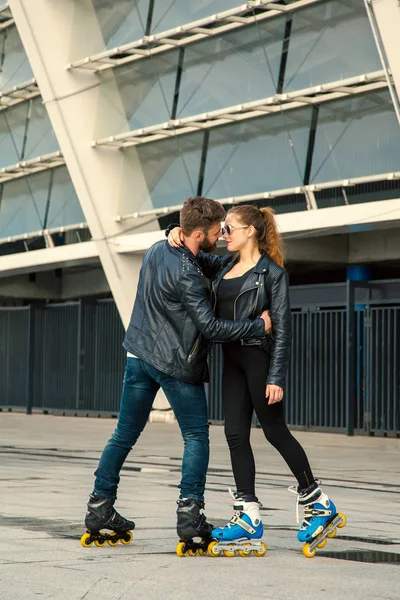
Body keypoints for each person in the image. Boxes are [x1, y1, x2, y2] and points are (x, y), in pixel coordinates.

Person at [81, 197, 272, 549]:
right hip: (176, 365)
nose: (222, 235)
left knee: (124, 435)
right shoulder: (190, 275)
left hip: (138, 356)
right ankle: (190, 516)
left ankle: (99, 507)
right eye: (218, 231)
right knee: (196, 437)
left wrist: (176, 232)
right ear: (198, 233)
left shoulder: (158, 248)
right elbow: (212, 327)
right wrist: (256, 327)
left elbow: (215, 260)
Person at [168, 204, 344, 556]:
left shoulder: (273, 274)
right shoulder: (224, 267)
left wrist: (276, 375)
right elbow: (192, 250)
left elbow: (282, 330)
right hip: (231, 361)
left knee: (276, 432)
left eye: (230, 228)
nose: (223, 234)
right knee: (234, 434)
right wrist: (173, 231)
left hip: (258, 360)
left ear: (250, 231)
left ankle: (320, 503)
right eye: (223, 229)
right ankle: (247, 513)